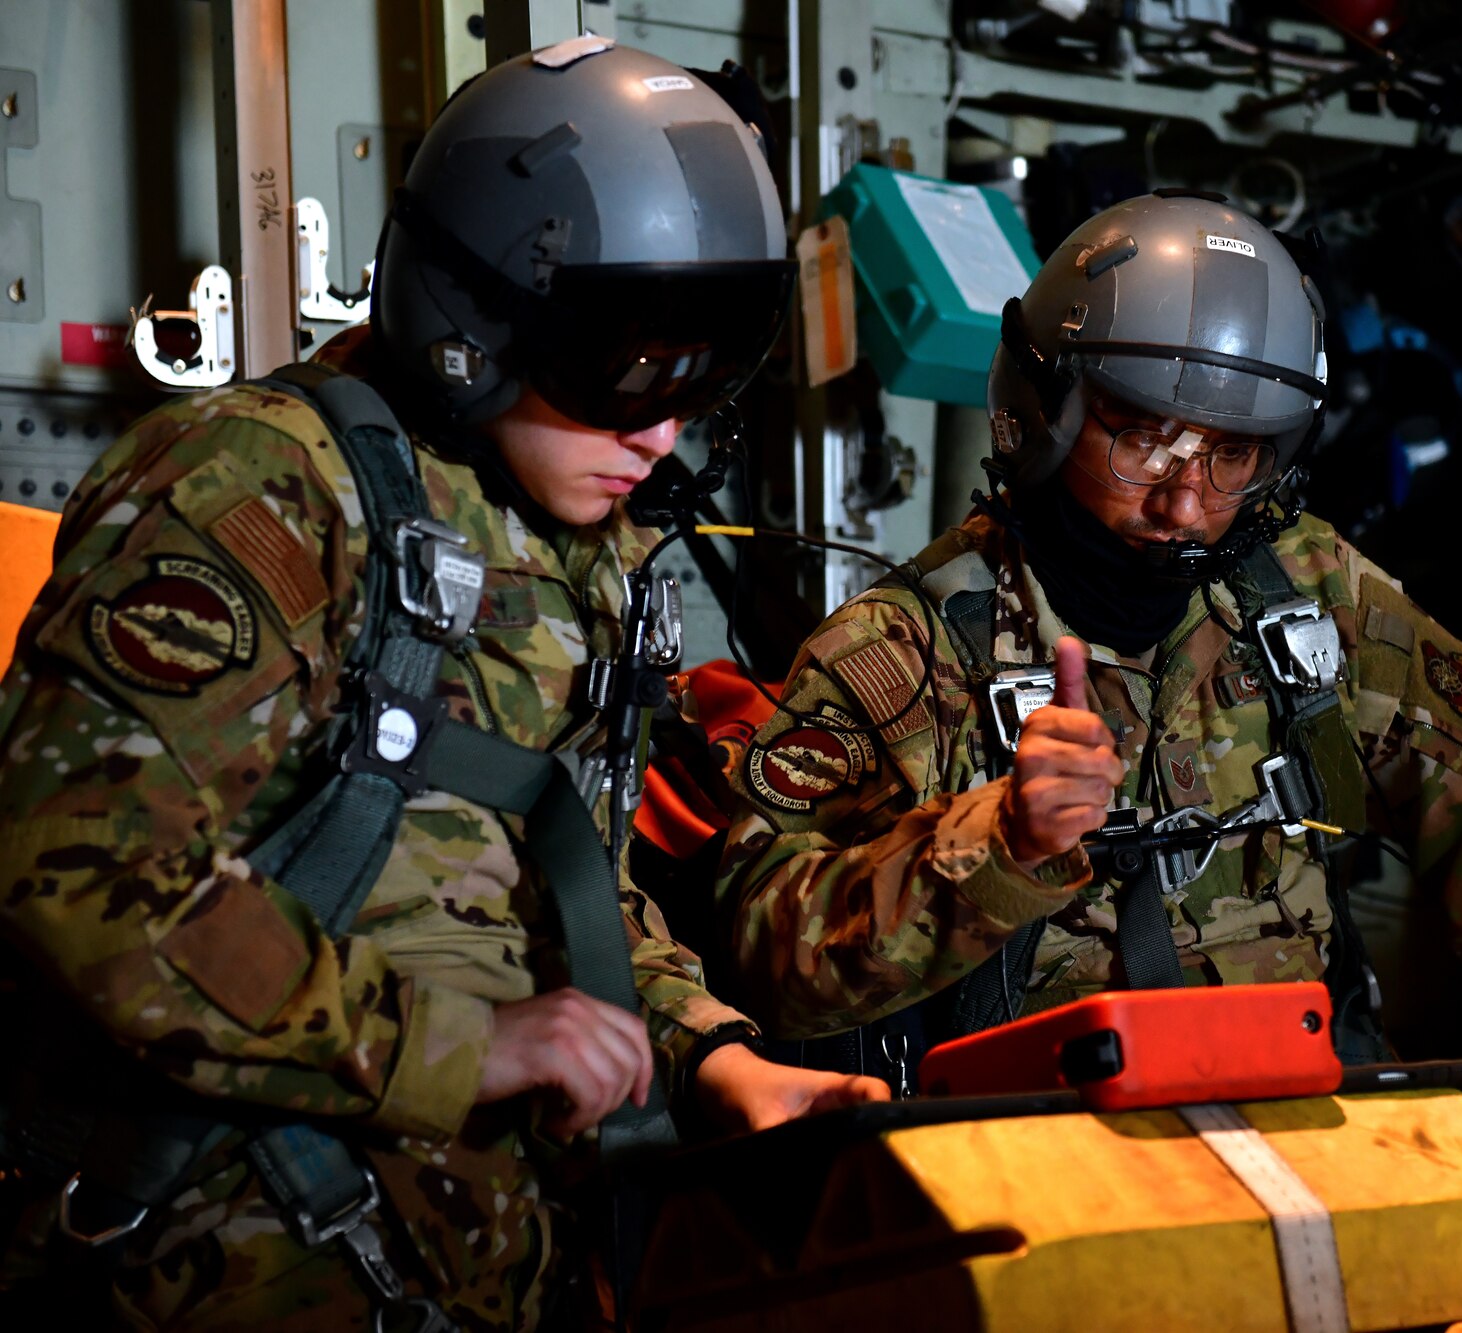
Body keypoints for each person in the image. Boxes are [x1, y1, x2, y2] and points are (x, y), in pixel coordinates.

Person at [714, 190, 1462, 1329]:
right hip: (1044, 1168)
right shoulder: (897, 653)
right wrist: (992, 842)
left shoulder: (1308, 599)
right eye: (1143, 434)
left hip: (1316, 1125)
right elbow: (758, 952)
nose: (1185, 499)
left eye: (1231, 453)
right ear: (1046, 408)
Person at [0, 40, 884, 1331]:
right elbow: (75, 870)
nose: (662, 431)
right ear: (471, 326)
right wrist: (463, 1046)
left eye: (703, 376)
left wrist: (715, 1057)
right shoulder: (261, 487)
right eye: (630, 372)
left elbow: (574, 884)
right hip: (224, 1262)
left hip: (485, 1262)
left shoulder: (579, 536)